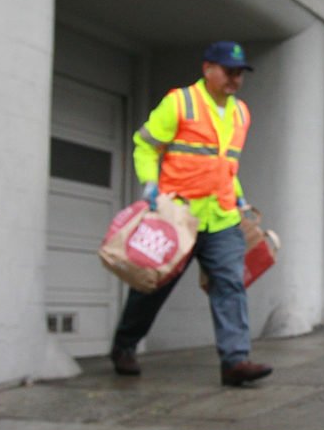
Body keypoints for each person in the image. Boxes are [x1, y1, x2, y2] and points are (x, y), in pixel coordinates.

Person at [109, 41, 273, 387]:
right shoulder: (179, 102)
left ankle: (235, 361)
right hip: (177, 216)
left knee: (230, 285)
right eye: (228, 71)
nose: (235, 79)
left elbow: (225, 164)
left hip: (222, 216)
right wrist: (150, 184)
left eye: (240, 72)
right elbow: (145, 144)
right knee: (153, 286)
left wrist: (240, 200)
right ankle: (124, 346)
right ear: (207, 68)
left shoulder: (241, 113)